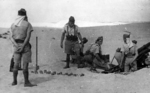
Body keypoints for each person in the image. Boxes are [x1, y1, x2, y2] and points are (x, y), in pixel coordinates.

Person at [9, 8, 35, 87]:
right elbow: (28, 37)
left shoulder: (13, 24)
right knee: (25, 65)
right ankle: (26, 82)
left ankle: (14, 81)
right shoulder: (27, 24)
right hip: (25, 46)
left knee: (16, 64)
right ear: (25, 15)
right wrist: (23, 46)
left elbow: (11, 37)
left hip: (16, 46)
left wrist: (16, 45)